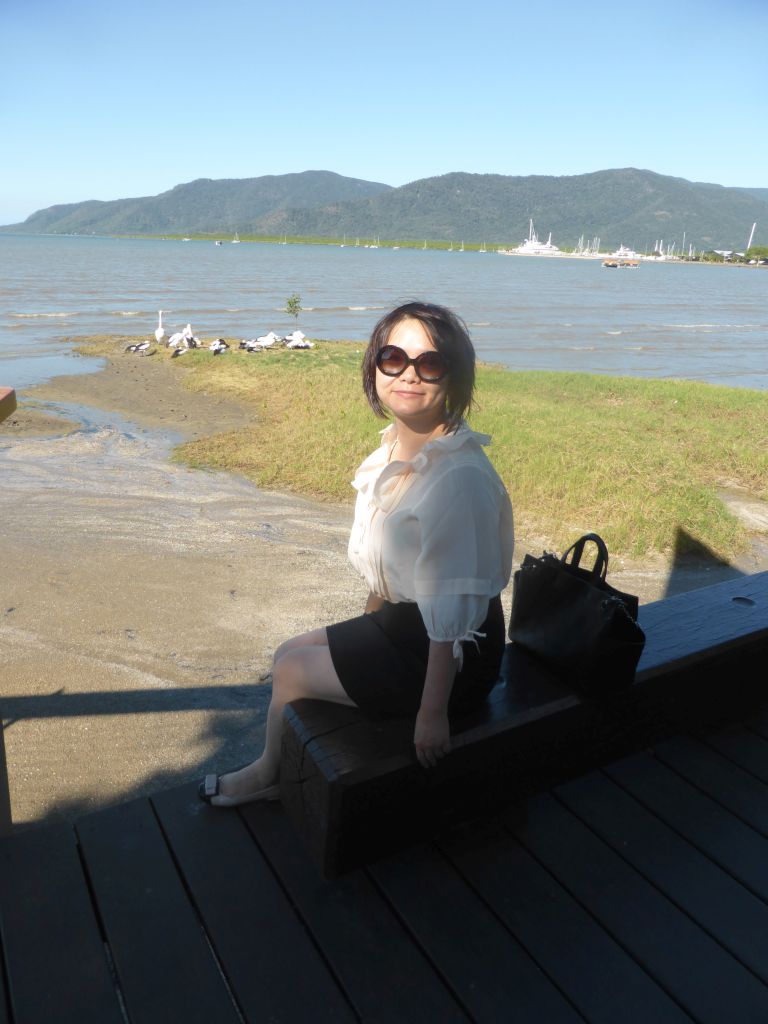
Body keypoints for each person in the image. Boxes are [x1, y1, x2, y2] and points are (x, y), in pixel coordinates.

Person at [199, 300, 514, 806]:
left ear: (454, 376)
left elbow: (451, 610)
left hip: (453, 656)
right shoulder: (395, 449)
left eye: (429, 362)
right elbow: (388, 559)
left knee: (290, 672)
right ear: (375, 366)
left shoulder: (458, 476)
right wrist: (367, 626)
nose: (409, 373)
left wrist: (432, 713)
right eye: (393, 358)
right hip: (406, 625)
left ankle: (267, 776)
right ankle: (278, 765)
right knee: (287, 652)